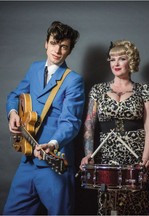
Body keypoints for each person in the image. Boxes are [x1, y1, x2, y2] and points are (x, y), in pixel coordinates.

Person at [4, 21, 85, 215]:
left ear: (69, 50)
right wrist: (13, 113)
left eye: (64, 46)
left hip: (54, 162)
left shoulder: (73, 80)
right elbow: (15, 96)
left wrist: (53, 143)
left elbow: (71, 121)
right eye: (54, 43)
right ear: (46, 44)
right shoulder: (34, 68)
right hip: (28, 159)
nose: (57, 50)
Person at [80, 40, 149, 215]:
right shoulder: (97, 90)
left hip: (138, 153)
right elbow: (89, 125)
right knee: (110, 206)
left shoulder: (143, 90)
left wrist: (144, 160)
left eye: (121, 58)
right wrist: (88, 155)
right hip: (106, 155)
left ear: (131, 61)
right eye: (112, 59)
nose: (115, 63)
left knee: (138, 204)